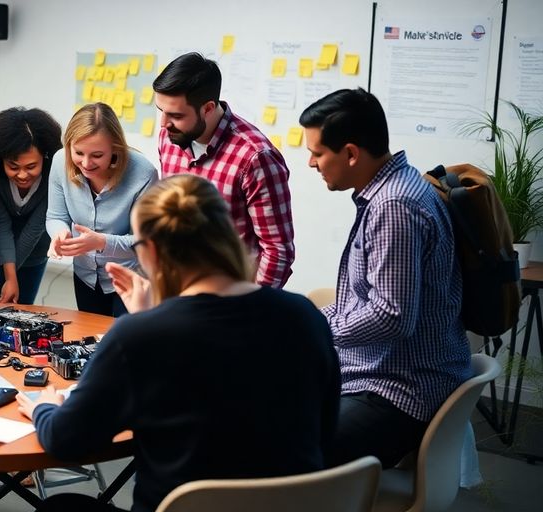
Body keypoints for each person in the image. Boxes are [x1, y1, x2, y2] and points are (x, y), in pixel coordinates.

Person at [19, 175, 340, 512]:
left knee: (61, 506)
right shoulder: (304, 316)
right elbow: (325, 430)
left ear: (152, 252)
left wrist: (45, 408)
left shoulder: (139, 337)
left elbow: (66, 441)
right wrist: (148, 319)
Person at [298, 88, 472, 468]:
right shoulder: (395, 187)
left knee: (286, 447)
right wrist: (305, 322)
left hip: (399, 389)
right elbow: (364, 301)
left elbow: (391, 316)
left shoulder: (394, 206)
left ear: (351, 153)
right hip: (380, 374)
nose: (311, 163)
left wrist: (313, 328)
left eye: (317, 153)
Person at [152, 52, 295, 288]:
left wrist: (252, 304)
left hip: (232, 296)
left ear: (208, 108)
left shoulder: (256, 157)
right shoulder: (169, 138)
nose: (163, 123)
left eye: (176, 115)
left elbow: (277, 251)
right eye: (161, 111)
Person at [45, 102, 158, 317]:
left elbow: (147, 241)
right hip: (85, 277)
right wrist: (60, 234)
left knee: (125, 337)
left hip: (130, 279)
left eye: (97, 155)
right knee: (90, 337)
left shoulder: (143, 173)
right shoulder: (60, 161)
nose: (86, 163)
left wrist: (102, 242)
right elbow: (55, 216)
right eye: (78, 152)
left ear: (115, 148)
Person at [0, 107, 63, 304]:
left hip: (34, 254)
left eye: (31, 166)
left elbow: (35, 228)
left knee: (24, 308)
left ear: (45, 157)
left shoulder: (54, 173)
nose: (22, 175)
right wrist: (10, 277)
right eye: (13, 167)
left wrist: (11, 277)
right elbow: (0, 225)